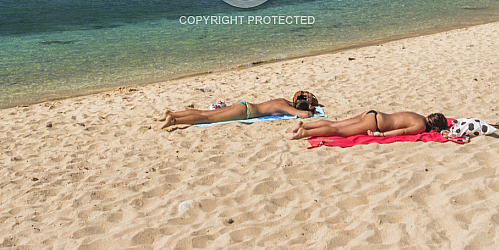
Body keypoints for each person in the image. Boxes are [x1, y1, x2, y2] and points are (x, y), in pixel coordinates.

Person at [158, 93, 319, 129]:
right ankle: (174, 121)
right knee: (207, 118)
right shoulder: (286, 107)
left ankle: (172, 114)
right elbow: (303, 115)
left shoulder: (283, 100)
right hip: (246, 113)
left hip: (244, 104)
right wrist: (313, 111)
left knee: (205, 113)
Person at [288, 110, 447, 140]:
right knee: (339, 132)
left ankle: (305, 125)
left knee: (336, 123)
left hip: (373, 114)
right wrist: (381, 135)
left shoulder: (418, 115)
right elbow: (402, 131)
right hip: (376, 124)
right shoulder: (420, 125)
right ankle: (304, 133)